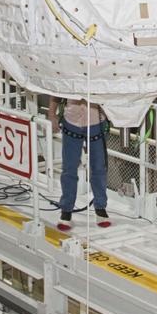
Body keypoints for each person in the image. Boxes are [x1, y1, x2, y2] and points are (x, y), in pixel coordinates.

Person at [50, 97, 109, 231]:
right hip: (71, 122)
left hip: (96, 123)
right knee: (69, 169)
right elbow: (56, 92)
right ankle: (66, 210)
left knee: (99, 167)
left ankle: (100, 207)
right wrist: (52, 115)